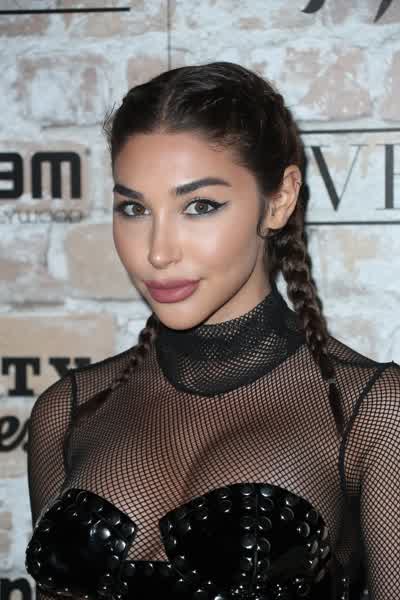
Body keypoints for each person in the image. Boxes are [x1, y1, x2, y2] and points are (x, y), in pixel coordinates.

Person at [25, 62, 399, 600]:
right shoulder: (67, 411)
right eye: (134, 208)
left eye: (199, 207)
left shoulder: (372, 411)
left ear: (279, 200)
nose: (158, 252)